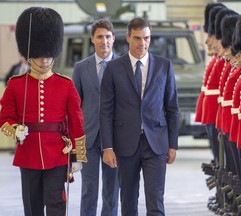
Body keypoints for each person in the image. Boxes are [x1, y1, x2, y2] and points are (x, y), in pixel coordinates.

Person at [0, 7, 87, 216]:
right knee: (32, 206)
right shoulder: (16, 85)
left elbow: (76, 122)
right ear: (30, 55)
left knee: (56, 204)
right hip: (28, 153)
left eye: (49, 55)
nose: (45, 59)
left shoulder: (66, 85)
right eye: (40, 55)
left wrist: (77, 156)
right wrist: (14, 131)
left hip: (57, 154)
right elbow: (4, 118)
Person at [100, 17, 179, 216]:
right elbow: (106, 110)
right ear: (128, 37)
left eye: (146, 38)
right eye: (137, 38)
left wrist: (173, 144)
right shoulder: (113, 68)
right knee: (128, 201)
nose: (142, 43)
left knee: (155, 201)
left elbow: (172, 108)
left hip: (157, 144)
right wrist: (107, 147)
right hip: (125, 144)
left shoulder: (164, 66)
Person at [72, 19, 119, 216]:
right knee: (88, 191)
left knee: (112, 191)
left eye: (108, 37)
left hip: (115, 139)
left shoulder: (123, 66)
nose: (104, 41)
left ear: (114, 39)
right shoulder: (81, 68)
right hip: (89, 138)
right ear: (92, 39)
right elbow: (74, 107)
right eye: (99, 37)